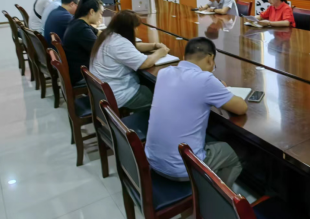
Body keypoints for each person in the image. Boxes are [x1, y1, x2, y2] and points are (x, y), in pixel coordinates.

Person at [145, 37, 248, 187]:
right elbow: (241, 108)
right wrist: (220, 88)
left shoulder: (164, 73)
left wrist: (216, 86)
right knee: (234, 152)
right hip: (183, 169)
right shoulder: (205, 80)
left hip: (153, 160)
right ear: (210, 58)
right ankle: (213, 196)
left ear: (184, 56)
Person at [90, 10, 170, 112]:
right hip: (119, 95)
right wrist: (160, 53)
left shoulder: (108, 35)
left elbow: (132, 47)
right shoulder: (118, 43)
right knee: (162, 97)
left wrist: (154, 45)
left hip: (104, 92)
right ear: (128, 28)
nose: (136, 30)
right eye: (135, 27)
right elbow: (145, 63)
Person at [63, 0, 104, 85]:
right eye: (100, 13)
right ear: (92, 12)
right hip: (82, 75)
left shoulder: (78, 22)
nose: (101, 17)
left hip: (80, 69)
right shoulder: (81, 29)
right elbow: (100, 52)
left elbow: (99, 33)